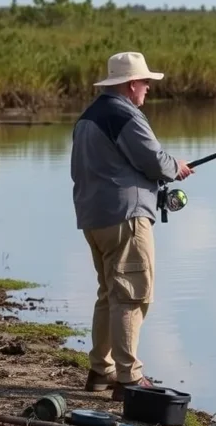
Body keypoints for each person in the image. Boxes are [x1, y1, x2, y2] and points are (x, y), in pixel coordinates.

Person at [70, 51, 193, 401]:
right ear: (130, 84)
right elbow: (154, 161)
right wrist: (176, 167)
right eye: (145, 82)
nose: (148, 89)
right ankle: (128, 378)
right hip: (125, 218)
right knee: (132, 293)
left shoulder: (88, 116)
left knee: (109, 292)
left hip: (93, 219)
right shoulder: (124, 115)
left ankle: (100, 370)